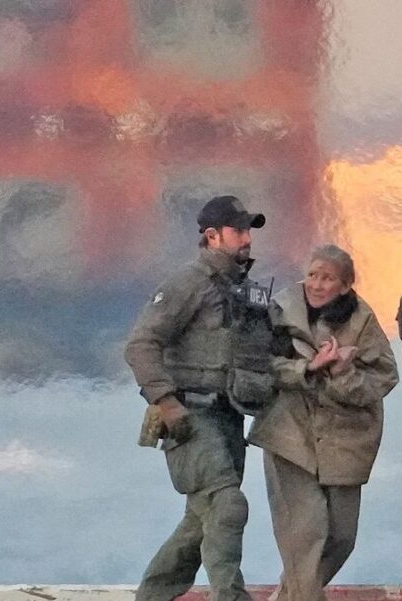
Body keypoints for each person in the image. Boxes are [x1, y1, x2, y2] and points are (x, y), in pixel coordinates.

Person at [125, 195, 268, 601]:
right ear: (212, 236)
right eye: (238, 230)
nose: (247, 238)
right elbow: (141, 344)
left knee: (200, 522)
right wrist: (165, 400)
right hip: (190, 415)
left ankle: (152, 596)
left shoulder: (246, 292)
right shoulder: (188, 283)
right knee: (228, 505)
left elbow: (269, 351)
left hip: (230, 417)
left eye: (249, 230)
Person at [248, 244, 398, 601]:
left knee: (341, 538)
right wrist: (308, 367)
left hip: (345, 439)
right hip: (290, 434)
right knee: (305, 536)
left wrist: (343, 371)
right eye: (312, 275)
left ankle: (288, 597)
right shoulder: (280, 310)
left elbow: (384, 377)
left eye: (327, 278)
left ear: (345, 285)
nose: (316, 284)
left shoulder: (362, 320)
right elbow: (259, 365)